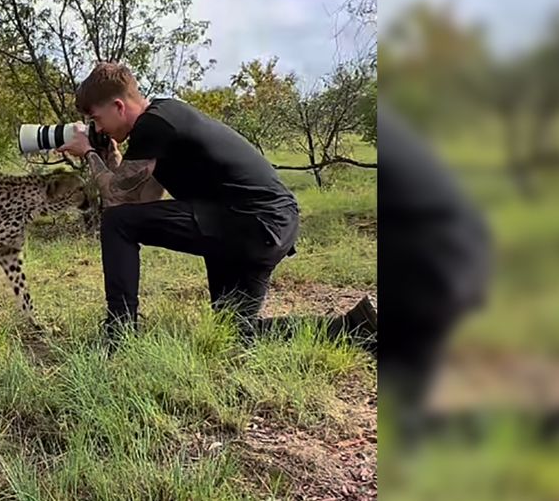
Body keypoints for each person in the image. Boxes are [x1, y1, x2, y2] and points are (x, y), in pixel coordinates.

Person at [55, 62, 377, 350]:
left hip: (252, 223)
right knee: (235, 332)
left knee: (115, 222)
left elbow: (118, 204)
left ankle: (118, 334)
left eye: (96, 119)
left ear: (118, 106)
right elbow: (139, 197)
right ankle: (356, 329)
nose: (97, 128)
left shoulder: (154, 126)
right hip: (266, 225)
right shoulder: (163, 119)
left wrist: (89, 153)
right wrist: (109, 153)